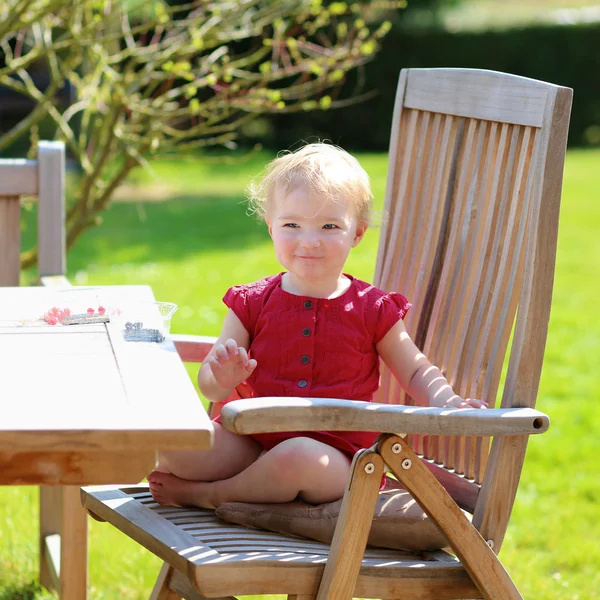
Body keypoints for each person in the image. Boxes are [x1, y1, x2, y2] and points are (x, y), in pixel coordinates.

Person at [148, 142, 486, 509]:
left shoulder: (372, 308)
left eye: (329, 226)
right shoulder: (251, 302)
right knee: (173, 447)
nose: (309, 241)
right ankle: (255, 483)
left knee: (296, 458)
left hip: (336, 461)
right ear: (271, 228)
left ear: (357, 233)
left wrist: (447, 401)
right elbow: (210, 382)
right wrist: (222, 377)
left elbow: (416, 369)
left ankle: (212, 496)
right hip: (253, 440)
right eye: (292, 224)